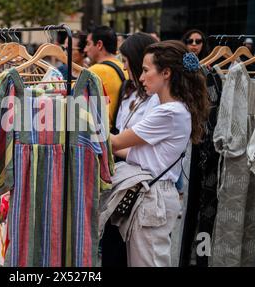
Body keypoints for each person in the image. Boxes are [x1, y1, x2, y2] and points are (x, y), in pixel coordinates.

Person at [110, 40, 209, 266]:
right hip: (155, 194)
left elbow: (115, 142)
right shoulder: (175, 109)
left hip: (154, 197)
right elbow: (132, 152)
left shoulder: (169, 112)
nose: (141, 77)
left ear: (166, 73)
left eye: (146, 70)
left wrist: (81, 125)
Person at [101, 32, 159, 267]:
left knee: (126, 252)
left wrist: (110, 143)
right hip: (121, 176)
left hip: (139, 181)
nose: (123, 68)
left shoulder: (157, 100)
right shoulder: (129, 90)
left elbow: (138, 142)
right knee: (112, 247)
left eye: (125, 62)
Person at [84, 26, 129, 130]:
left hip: (99, 137)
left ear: (99, 45)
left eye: (88, 44)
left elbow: (71, 100)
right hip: (117, 131)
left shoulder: (95, 71)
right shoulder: (124, 67)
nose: (85, 49)